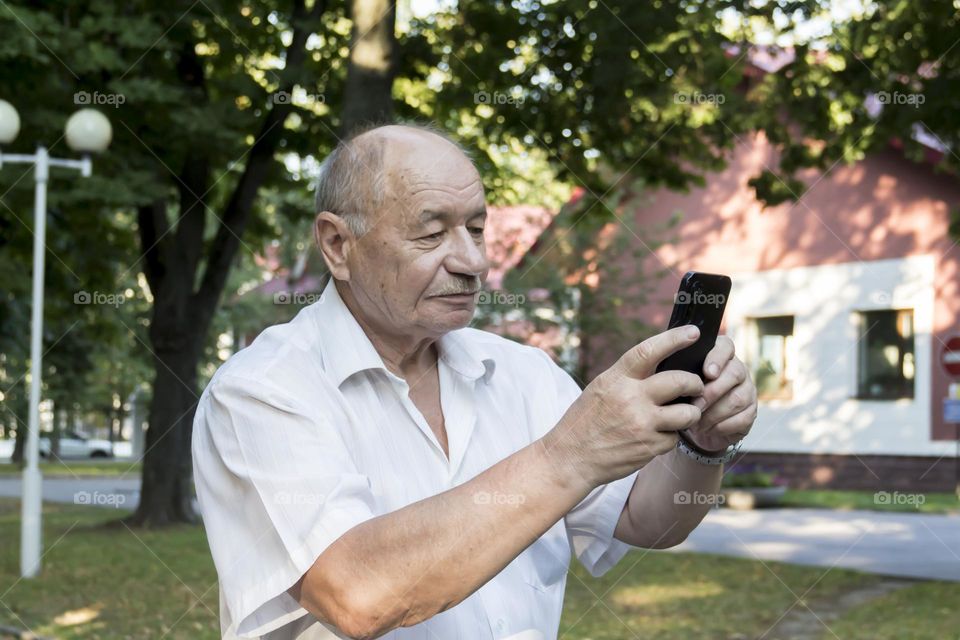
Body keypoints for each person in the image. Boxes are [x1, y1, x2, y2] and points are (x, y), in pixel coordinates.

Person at [192, 123, 758, 639]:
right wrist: (569, 455)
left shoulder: (524, 373)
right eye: (432, 233)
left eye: (477, 229)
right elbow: (357, 594)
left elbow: (644, 520)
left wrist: (701, 445)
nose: (472, 261)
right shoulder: (261, 392)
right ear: (338, 245)